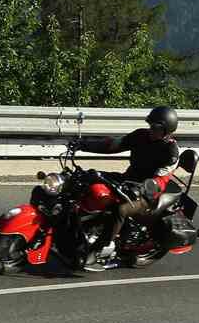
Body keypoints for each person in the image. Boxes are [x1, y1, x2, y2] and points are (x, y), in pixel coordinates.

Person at [72, 105, 181, 268]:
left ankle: (100, 249)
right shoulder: (140, 136)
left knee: (120, 209)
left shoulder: (171, 150)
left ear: (166, 130)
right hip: (128, 179)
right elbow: (113, 145)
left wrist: (141, 189)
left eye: (156, 127)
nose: (151, 129)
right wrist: (83, 144)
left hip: (148, 193)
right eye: (150, 125)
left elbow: (161, 179)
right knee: (91, 177)